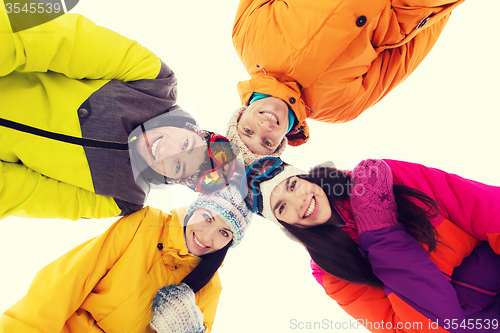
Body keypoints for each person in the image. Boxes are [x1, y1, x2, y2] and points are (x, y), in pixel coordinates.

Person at [0, 2, 236, 221]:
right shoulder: (152, 81)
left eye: (177, 167)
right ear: (188, 127)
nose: (164, 152)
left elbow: (20, 193)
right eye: (185, 144)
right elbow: (55, 38)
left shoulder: (122, 197)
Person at [242, 157, 500, 331]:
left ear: (307, 178)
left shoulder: (378, 177)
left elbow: (479, 205)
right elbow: (424, 326)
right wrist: (381, 234)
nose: (299, 201)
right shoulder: (331, 273)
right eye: (282, 207)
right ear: (282, 223)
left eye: (293, 184)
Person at [227, 0, 466, 166]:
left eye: (248, 131)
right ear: (281, 143)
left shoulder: (245, 38)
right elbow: (402, 58)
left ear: (240, 114)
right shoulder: (339, 108)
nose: (263, 128)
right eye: (267, 142)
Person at [0, 184, 252, 333]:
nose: (208, 236)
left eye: (224, 232)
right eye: (207, 217)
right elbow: (71, 278)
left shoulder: (209, 287)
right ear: (195, 209)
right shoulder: (147, 223)